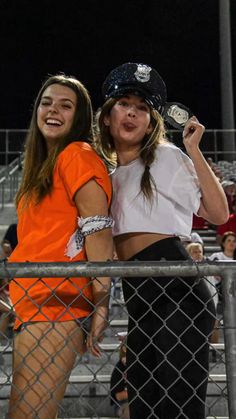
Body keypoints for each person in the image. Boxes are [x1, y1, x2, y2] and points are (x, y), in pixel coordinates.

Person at [94, 62, 229, 419]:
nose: (132, 113)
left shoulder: (166, 157)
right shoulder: (102, 177)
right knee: (143, 405)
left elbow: (218, 215)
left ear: (152, 122)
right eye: (124, 103)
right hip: (139, 296)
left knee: (179, 407)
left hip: (179, 288)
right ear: (107, 115)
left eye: (142, 108)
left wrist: (194, 148)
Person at [7, 74, 113, 419]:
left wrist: (101, 302)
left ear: (79, 118)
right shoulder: (42, 166)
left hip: (57, 306)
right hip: (32, 303)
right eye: (47, 102)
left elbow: (97, 229)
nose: (53, 110)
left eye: (65, 106)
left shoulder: (76, 153)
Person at [110, 343, 130, 419]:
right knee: (129, 410)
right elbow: (119, 396)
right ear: (124, 349)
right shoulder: (120, 368)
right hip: (122, 404)